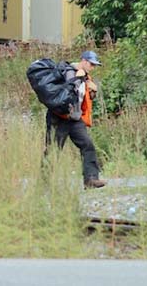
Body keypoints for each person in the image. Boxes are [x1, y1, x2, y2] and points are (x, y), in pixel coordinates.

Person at [45, 50, 106, 189]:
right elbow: (64, 94)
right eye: (91, 64)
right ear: (83, 61)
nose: (93, 67)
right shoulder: (68, 72)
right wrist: (77, 79)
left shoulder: (86, 77)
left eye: (94, 65)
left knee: (87, 145)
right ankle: (46, 183)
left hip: (75, 118)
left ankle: (91, 179)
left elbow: (81, 98)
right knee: (53, 149)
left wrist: (92, 92)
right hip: (59, 117)